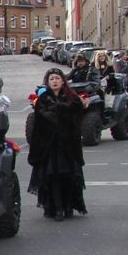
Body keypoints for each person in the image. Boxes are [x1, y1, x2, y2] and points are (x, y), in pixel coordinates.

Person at [28, 68, 89, 221]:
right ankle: (58, 208)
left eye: (57, 78)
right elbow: (39, 122)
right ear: (47, 82)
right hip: (49, 145)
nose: (54, 81)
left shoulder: (71, 97)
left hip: (68, 144)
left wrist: (60, 112)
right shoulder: (43, 99)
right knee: (52, 177)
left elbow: (76, 117)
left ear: (62, 81)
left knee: (68, 176)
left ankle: (68, 206)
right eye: (51, 79)